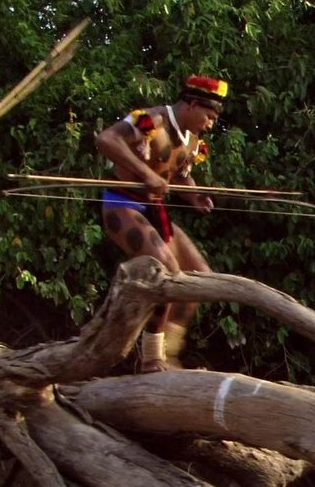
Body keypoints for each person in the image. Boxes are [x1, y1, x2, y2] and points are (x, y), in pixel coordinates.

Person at [95, 75, 225, 372]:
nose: (210, 123)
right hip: (122, 204)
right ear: (192, 105)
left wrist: (194, 196)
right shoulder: (152, 121)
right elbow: (106, 139)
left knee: (198, 277)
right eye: (208, 115)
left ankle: (168, 353)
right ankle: (151, 358)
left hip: (154, 209)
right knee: (165, 270)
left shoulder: (192, 138)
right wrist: (146, 174)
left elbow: (178, 174)